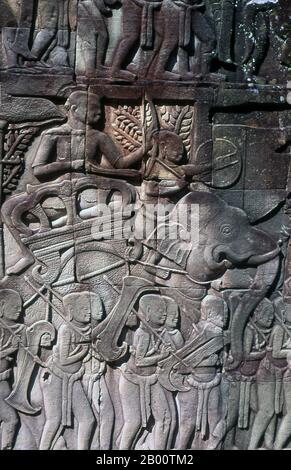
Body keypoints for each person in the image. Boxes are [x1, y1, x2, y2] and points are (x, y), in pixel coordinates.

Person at [39, 291, 96, 450]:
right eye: (84, 308)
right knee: (54, 421)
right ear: (71, 311)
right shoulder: (66, 329)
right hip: (56, 378)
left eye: (88, 308)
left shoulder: (86, 329)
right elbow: (63, 360)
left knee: (88, 419)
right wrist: (82, 352)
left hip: (73, 379)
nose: (89, 311)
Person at [118, 294, 173, 449]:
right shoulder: (142, 333)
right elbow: (140, 361)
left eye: (165, 310)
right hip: (133, 380)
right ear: (148, 312)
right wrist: (161, 355)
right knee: (133, 422)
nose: (164, 313)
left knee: (165, 418)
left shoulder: (159, 332)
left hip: (152, 378)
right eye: (160, 310)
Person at [176, 295, 227, 449]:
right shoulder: (201, 330)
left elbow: (222, 357)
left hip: (213, 380)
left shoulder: (217, 332)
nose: (225, 317)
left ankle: (212, 446)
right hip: (194, 380)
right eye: (222, 313)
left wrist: (220, 359)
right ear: (210, 313)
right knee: (188, 420)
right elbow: (188, 356)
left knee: (214, 417)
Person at [248, 297, 289, 449]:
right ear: (284, 313)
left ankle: (269, 444)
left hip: (280, 373)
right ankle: (252, 446)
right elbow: (277, 353)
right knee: (267, 410)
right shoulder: (279, 329)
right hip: (267, 372)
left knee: (274, 412)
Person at [0, 289, 24, 450]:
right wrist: (8, 351)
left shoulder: (17, 330)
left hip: (5, 381)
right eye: (14, 306)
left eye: (21, 307)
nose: (19, 310)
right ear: (1, 306)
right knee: (11, 419)